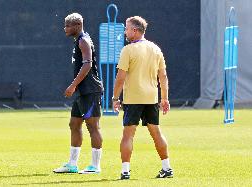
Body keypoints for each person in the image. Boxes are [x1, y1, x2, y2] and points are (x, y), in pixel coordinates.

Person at [112, 16, 173, 179]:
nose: (125, 31)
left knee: (128, 135)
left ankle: (125, 171)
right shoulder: (156, 49)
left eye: (127, 28)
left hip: (133, 99)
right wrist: (165, 98)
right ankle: (167, 168)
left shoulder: (128, 50)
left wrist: (115, 98)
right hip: (151, 98)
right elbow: (163, 76)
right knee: (157, 133)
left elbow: (120, 77)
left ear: (135, 30)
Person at [53, 13, 104, 174]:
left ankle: (95, 166)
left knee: (93, 127)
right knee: (74, 124)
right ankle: (72, 164)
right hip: (82, 92)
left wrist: (73, 85)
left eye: (68, 25)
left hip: (90, 91)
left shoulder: (83, 41)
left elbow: (87, 65)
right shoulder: (79, 40)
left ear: (77, 26)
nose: (65, 28)